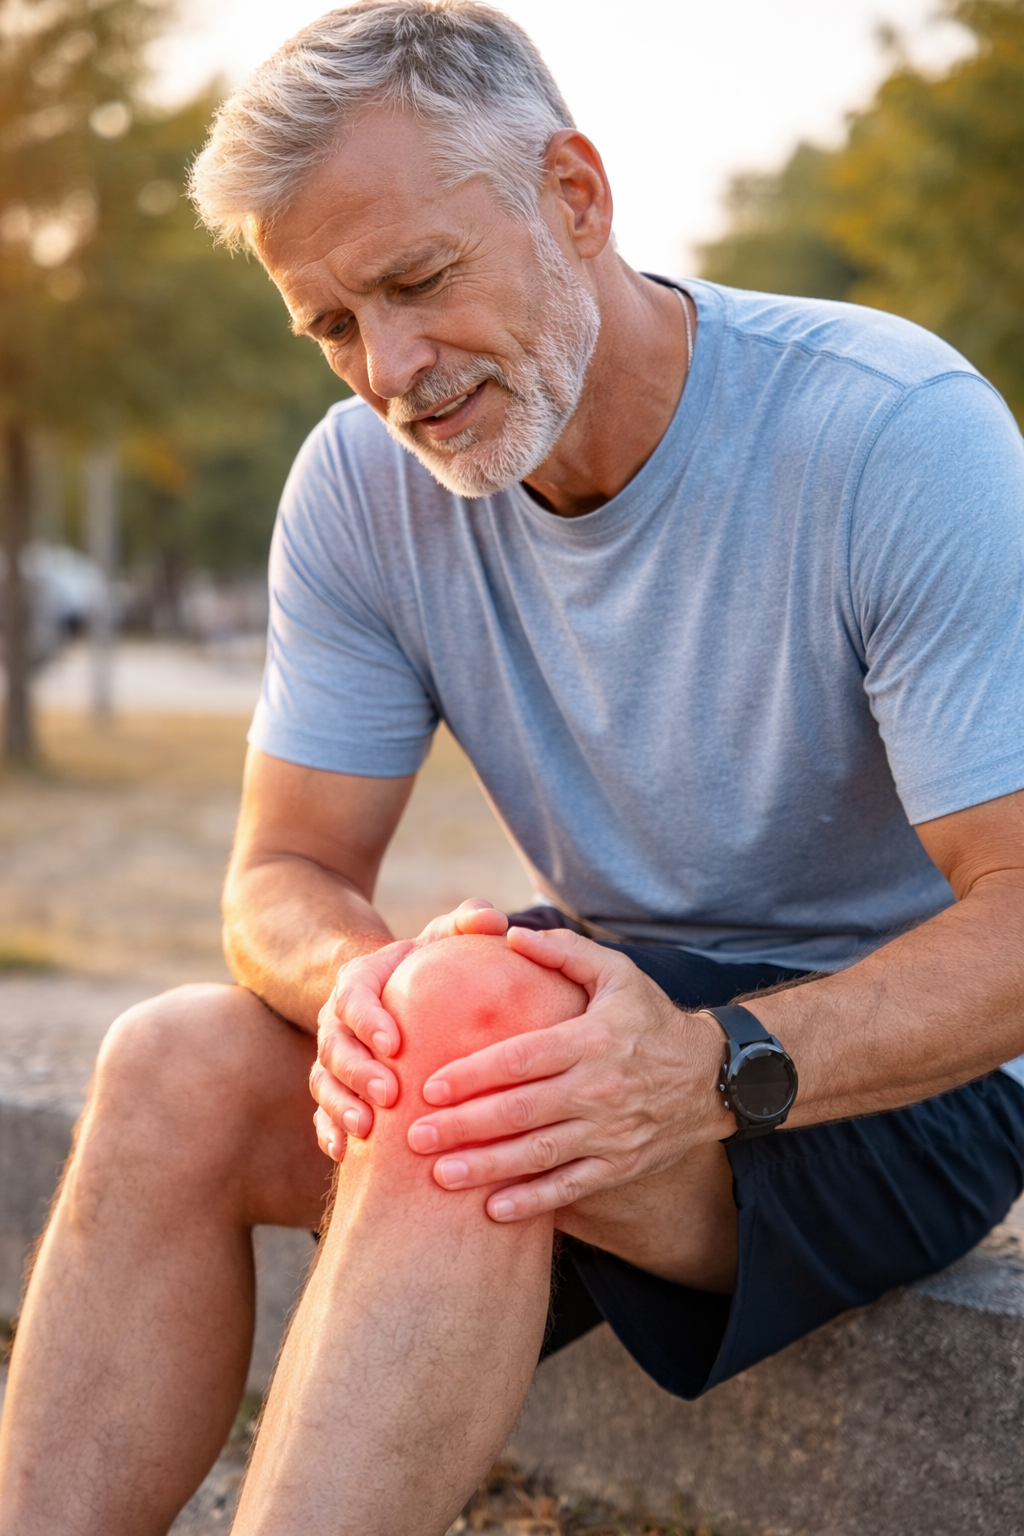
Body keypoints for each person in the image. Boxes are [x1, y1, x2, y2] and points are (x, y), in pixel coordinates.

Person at [1, 1, 1022, 1531]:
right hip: (604, 1022)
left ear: (577, 196)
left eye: (418, 282)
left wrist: (713, 1063)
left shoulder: (891, 432)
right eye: (334, 327)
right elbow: (283, 876)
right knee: (172, 1064)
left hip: (897, 1079)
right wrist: (354, 985)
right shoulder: (358, 486)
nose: (390, 370)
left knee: (470, 1019)